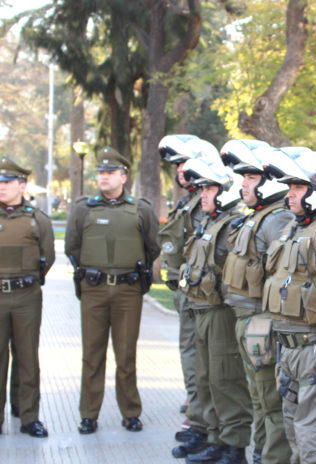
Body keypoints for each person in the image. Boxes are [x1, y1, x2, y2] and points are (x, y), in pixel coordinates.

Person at [262, 148, 316, 463]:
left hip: (314, 351)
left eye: (298, 188)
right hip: (287, 351)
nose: (290, 195)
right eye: (290, 188)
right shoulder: (293, 227)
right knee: (295, 436)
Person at [65, 147, 160, 434]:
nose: (103, 177)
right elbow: (72, 246)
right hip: (93, 289)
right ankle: (88, 414)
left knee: (126, 354)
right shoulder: (83, 208)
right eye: (100, 173)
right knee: (92, 355)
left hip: (128, 292)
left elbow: (152, 246)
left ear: (123, 176)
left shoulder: (140, 209)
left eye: (109, 173)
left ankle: (130, 412)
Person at [173, 156, 253, 464]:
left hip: (220, 313)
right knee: (206, 377)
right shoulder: (208, 221)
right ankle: (215, 437)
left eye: (209, 188)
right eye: (202, 188)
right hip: (200, 309)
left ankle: (233, 446)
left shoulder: (232, 224)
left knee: (225, 379)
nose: (202, 194)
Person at [220, 142, 295, 464]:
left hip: (261, 322)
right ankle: (261, 453)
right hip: (246, 319)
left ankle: (272, 456)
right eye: (244, 177)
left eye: (251, 176)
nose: (243, 184)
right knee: (258, 397)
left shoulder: (276, 219)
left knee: (270, 399)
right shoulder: (257, 217)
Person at [158, 135, 220, 444]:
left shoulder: (206, 202)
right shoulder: (188, 202)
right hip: (186, 290)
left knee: (199, 357)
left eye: (184, 163)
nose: (180, 170)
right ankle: (197, 414)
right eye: (177, 166)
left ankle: (200, 418)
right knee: (191, 354)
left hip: (199, 293)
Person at [0, 157, 55, 437]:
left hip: (26, 297)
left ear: (22, 186)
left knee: (27, 357)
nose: (1, 187)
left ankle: (28, 416)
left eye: (7, 182)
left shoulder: (36, 219)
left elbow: (47, 257)